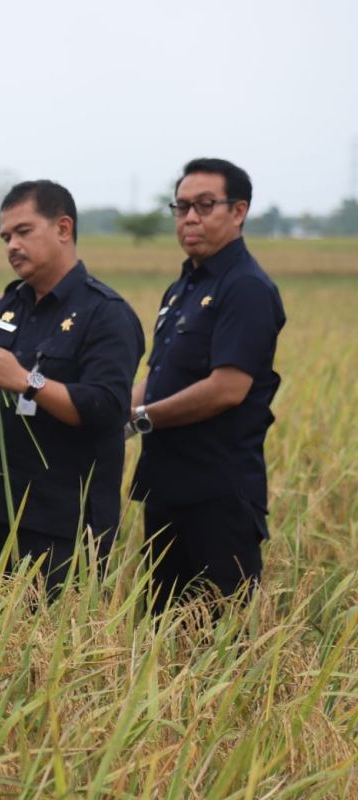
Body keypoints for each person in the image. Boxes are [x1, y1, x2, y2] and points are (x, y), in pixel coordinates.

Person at [0, 180, 143, 597]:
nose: (12, 244)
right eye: (6, 237)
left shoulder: (105, 315)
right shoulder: (9, 305)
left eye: (23, 231)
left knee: (50, 650)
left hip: (64, 525)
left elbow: (105, 409)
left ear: (63, 228)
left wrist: (28, 382)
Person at [129, 158, 284, 610]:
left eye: (204, 205)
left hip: (219, 495)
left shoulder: (247, 288)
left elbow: (227, 388)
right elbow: (156, 376)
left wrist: (139, 420)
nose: (190, 217)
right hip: (166, 488)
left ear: (239, 212)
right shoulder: (184, 287)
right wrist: (112, 412)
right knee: (163, 637)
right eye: (181, 207)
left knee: (220, 642)